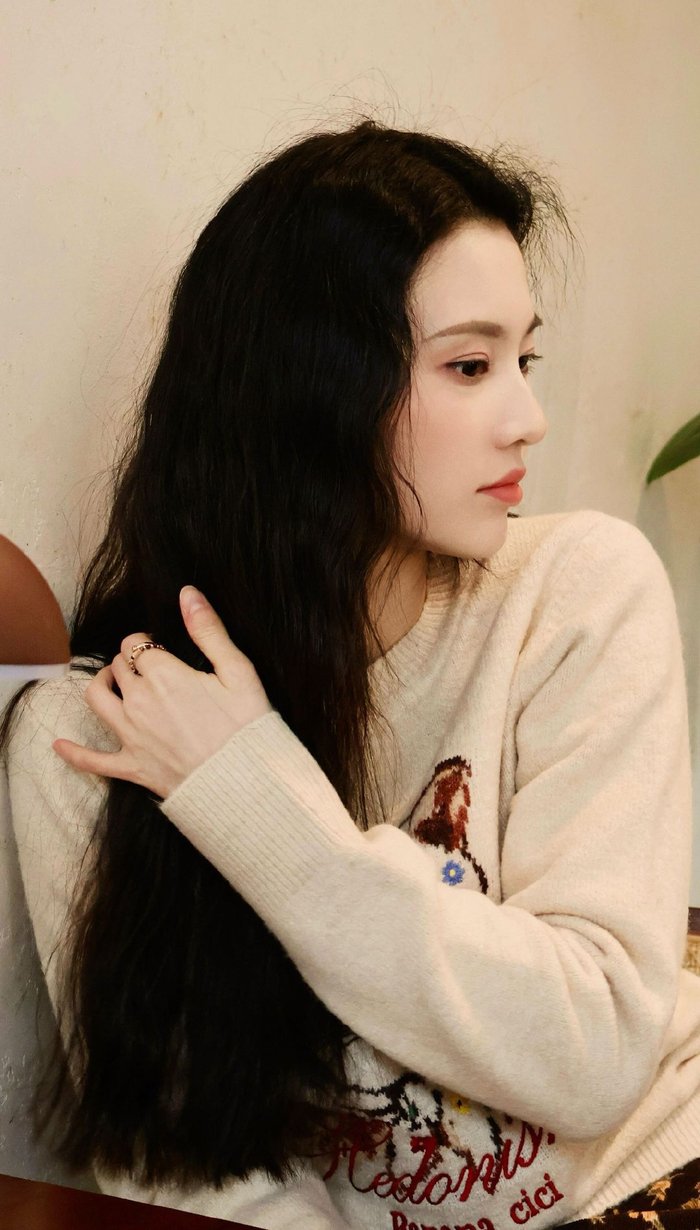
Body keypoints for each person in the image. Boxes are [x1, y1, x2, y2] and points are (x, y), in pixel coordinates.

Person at [2, 116, 699, 1230]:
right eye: (468, 366)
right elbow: (187, 1166)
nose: (528, 419)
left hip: (654, 1176)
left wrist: (257, 801)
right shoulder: (94, 733)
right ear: (308, 392)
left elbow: (598, 1053)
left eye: (522, 361)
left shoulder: (578, 589)